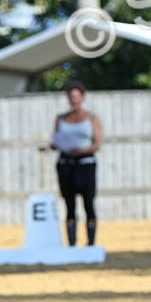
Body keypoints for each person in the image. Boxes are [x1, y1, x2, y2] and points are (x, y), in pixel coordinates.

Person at [50, 79, 103, 245]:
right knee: (69, 203)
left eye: (77, 96)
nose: (74, 100)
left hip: (85, 164)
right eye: (71, 96)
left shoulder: (92, 118)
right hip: (66, 164)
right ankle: (72, 242)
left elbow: (97, 144)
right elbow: (55, 138)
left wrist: (81, 150)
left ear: (82, 97)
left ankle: (90, 242)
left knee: (88, 202)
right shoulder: (61, 118)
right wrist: (55, 144)